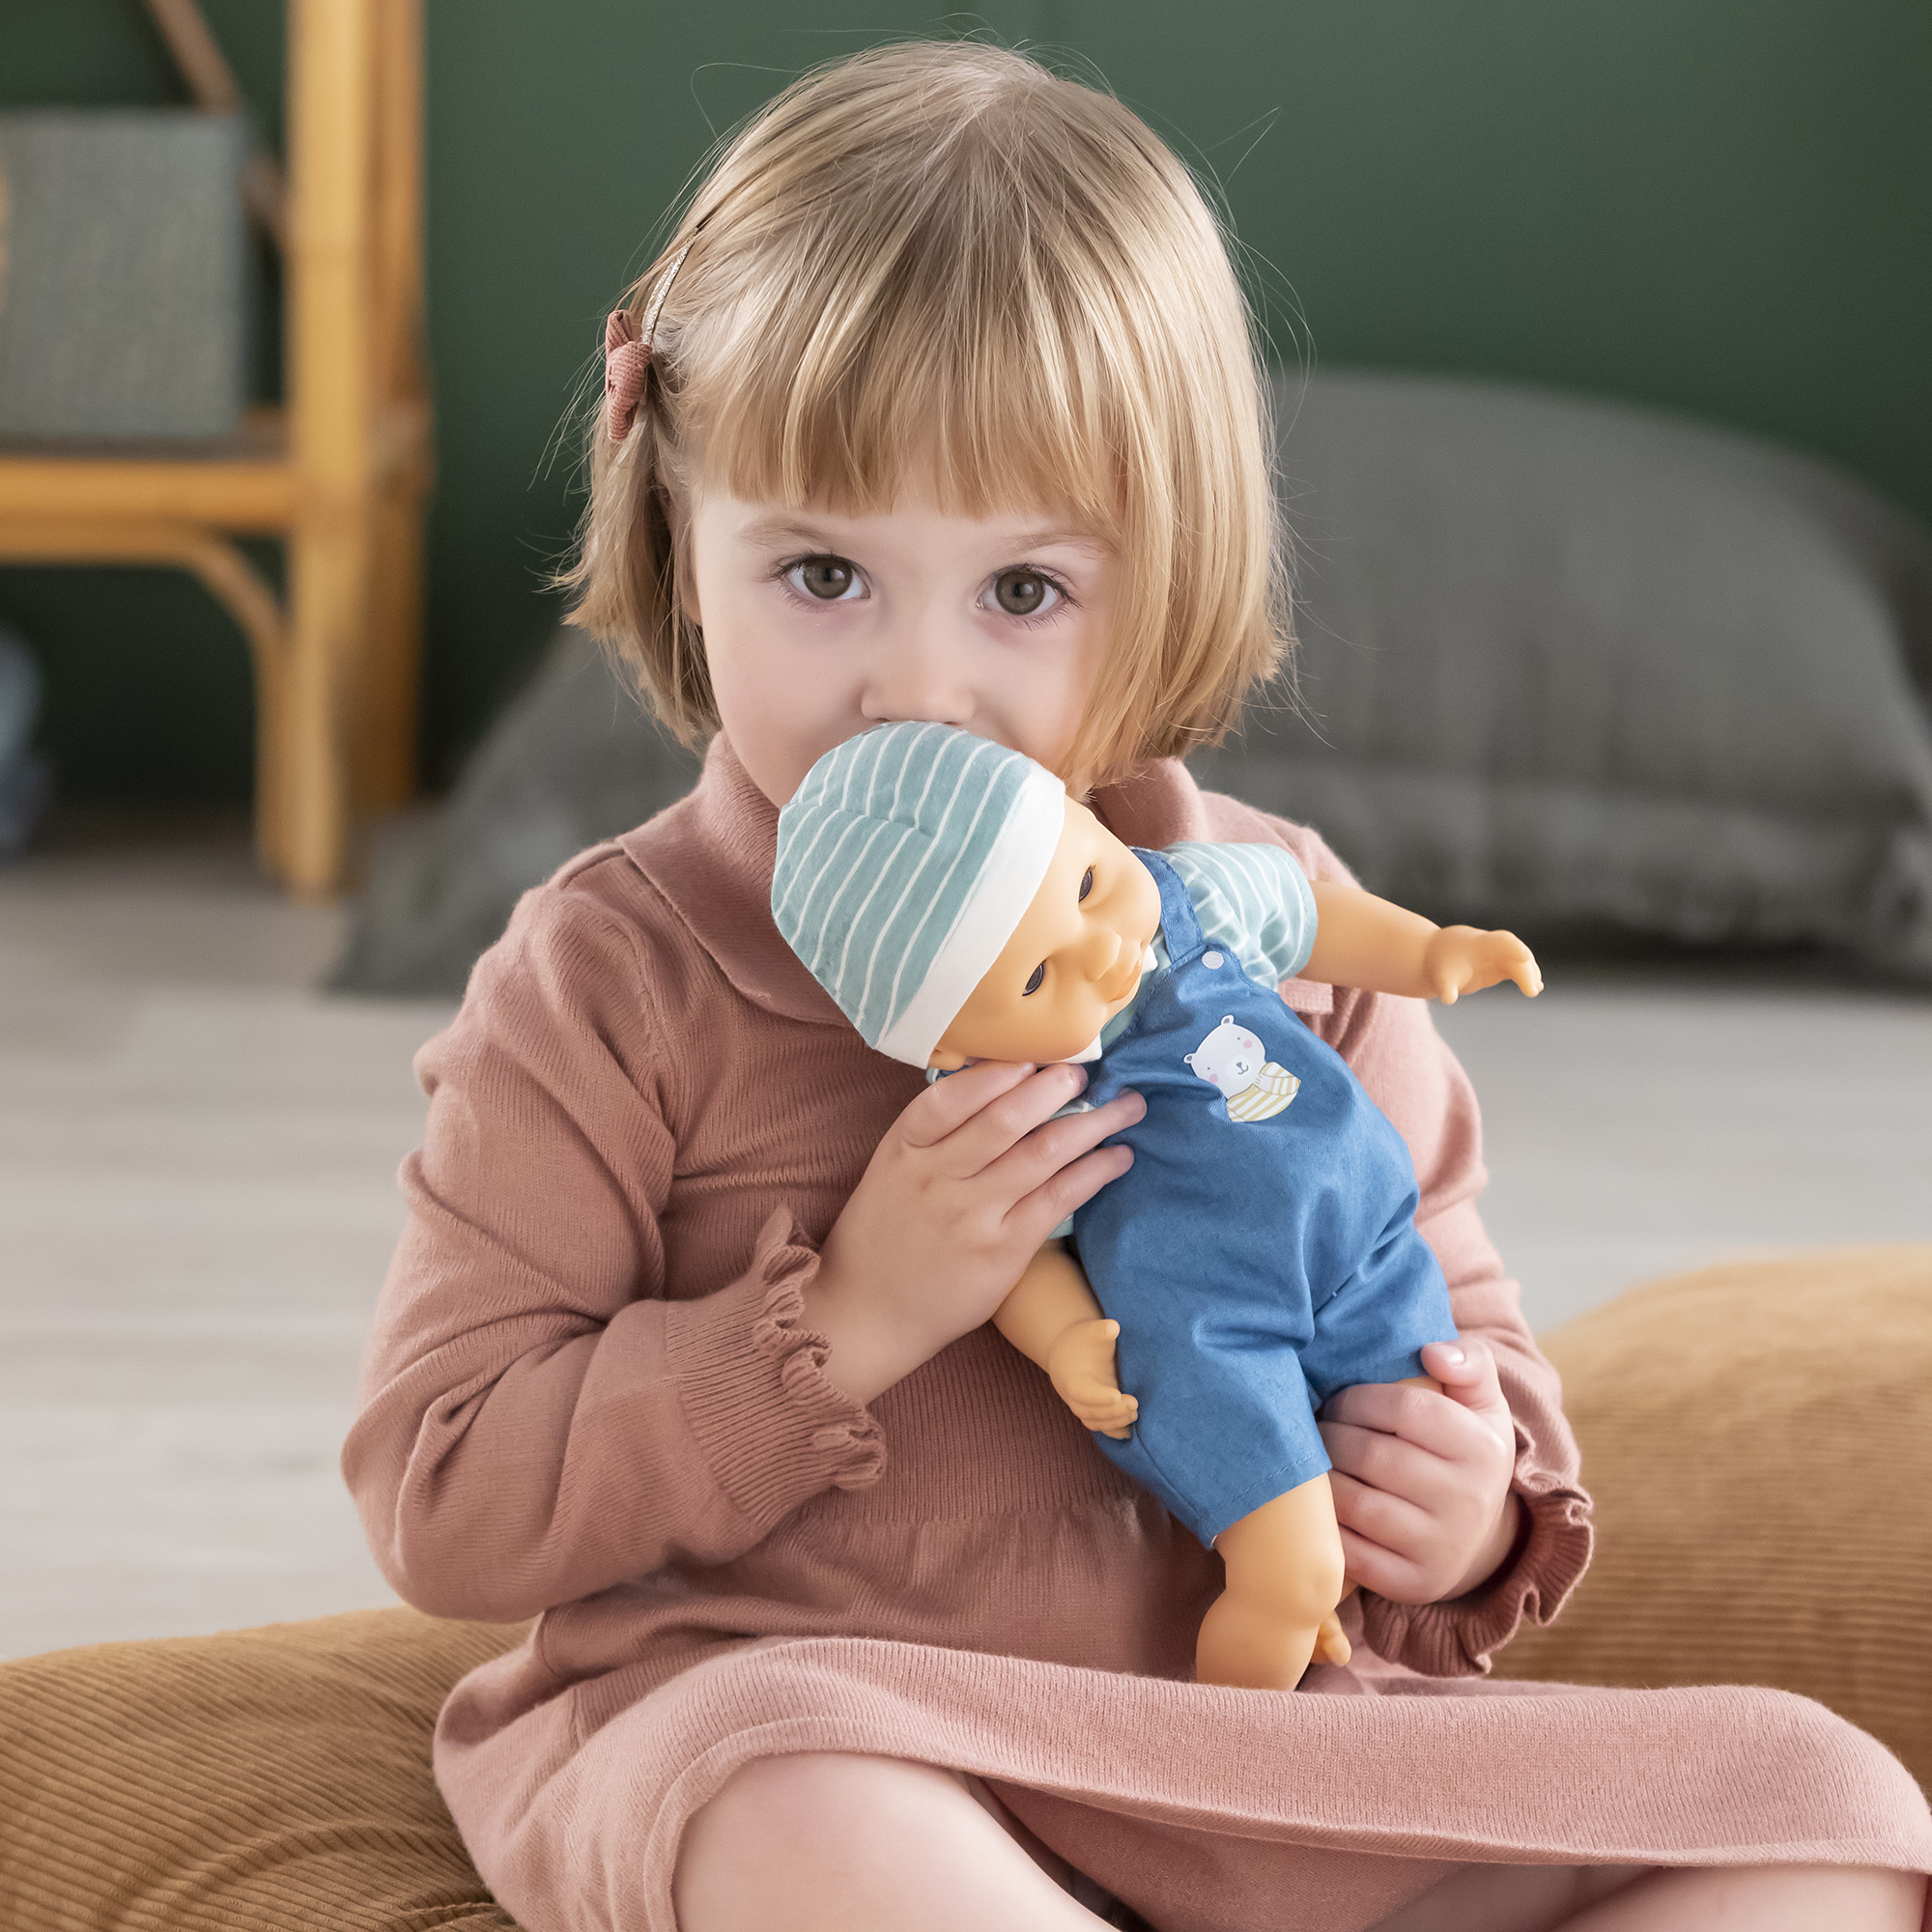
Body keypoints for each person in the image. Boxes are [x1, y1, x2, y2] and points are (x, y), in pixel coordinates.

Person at [341, 40, 1932, 1932]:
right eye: (822, 572)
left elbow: (1445, 1305)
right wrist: (844, 1316)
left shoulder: (1275, 918)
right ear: (682, 543)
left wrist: (1467, 1495)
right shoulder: (606, 981)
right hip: (830, 1741)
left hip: (1244, 1758)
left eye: (1021, 591)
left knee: (1827, 1806)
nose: (916, 686)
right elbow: (440, 1489)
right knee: (791, 1794)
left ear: (1156, 575)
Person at [768, 719, 1543, 1690]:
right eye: (1035, 974)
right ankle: (1219, 1753)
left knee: (1424, 1447)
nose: (1099, 953)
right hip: (1207, 1332)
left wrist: (1429, 951)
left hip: (1368, 1247)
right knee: (1292, 1570)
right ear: (951, 1047)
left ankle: (1326, 1722)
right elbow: (1006, 1248)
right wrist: (1062, 1339)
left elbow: (1310, 919)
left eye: (1087, 884)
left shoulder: (1198, 891)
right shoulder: (1006, 1096)